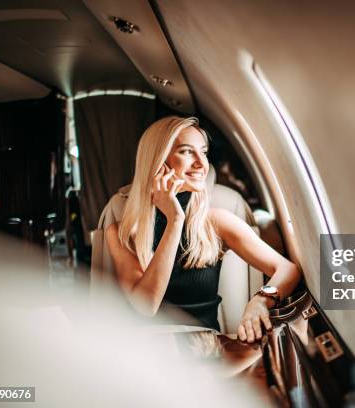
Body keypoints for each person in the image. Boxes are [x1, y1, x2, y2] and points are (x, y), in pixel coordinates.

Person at [105, 116, 302, 342]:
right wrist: (175, 220)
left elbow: (287, 269)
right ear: (158, 160)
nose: (201, 163)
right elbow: (146, 306)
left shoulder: (215, 222)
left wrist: (260, 301)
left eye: (204, 152)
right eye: (187, 152)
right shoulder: (122, 232)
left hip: (206, 350)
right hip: (147, 353)